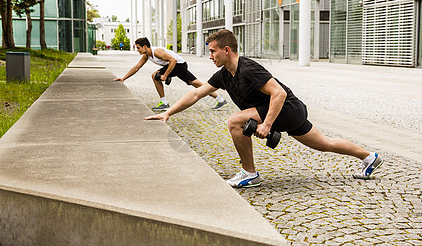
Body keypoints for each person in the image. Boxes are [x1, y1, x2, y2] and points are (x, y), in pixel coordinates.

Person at [145, 29, 383, 188]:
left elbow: (278, 93)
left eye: (212, 51)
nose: (210, 56)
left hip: (288, 109)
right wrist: (168, 112)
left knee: (235, 121)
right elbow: (196, 93)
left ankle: (249, 174)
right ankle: (369, 157)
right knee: (325, 144)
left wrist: (267, 124)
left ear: (226, 50)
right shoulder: (223, 76)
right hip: (289, 112)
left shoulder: (248, 68)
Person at [114, 37, 228, 111]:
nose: (137, 50)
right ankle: (221, 100)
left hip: (178, 64)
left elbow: (172, 60)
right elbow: (137, 67)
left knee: (155, 76)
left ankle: (164, 103)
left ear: (144, 46)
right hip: (179, 65)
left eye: (138, 48)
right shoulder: (146, 55)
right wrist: (123, 78)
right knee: (196, 83)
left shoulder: (157, 52)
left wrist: (165, 75)